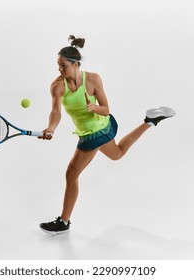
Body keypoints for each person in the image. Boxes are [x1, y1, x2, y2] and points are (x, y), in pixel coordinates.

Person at [38, 35, 175, 235]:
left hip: (96, 131)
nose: (59, 69)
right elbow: (56, 112)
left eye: (63, 66)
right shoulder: (58, 86)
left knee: (71, 174)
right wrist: (50, 128)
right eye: (58, 65)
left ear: (76, 64)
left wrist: (92, 106)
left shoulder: (93, 79)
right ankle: (149, 120)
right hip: (94, 131)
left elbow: (106, 109)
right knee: (117, 154)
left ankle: (64, 221)